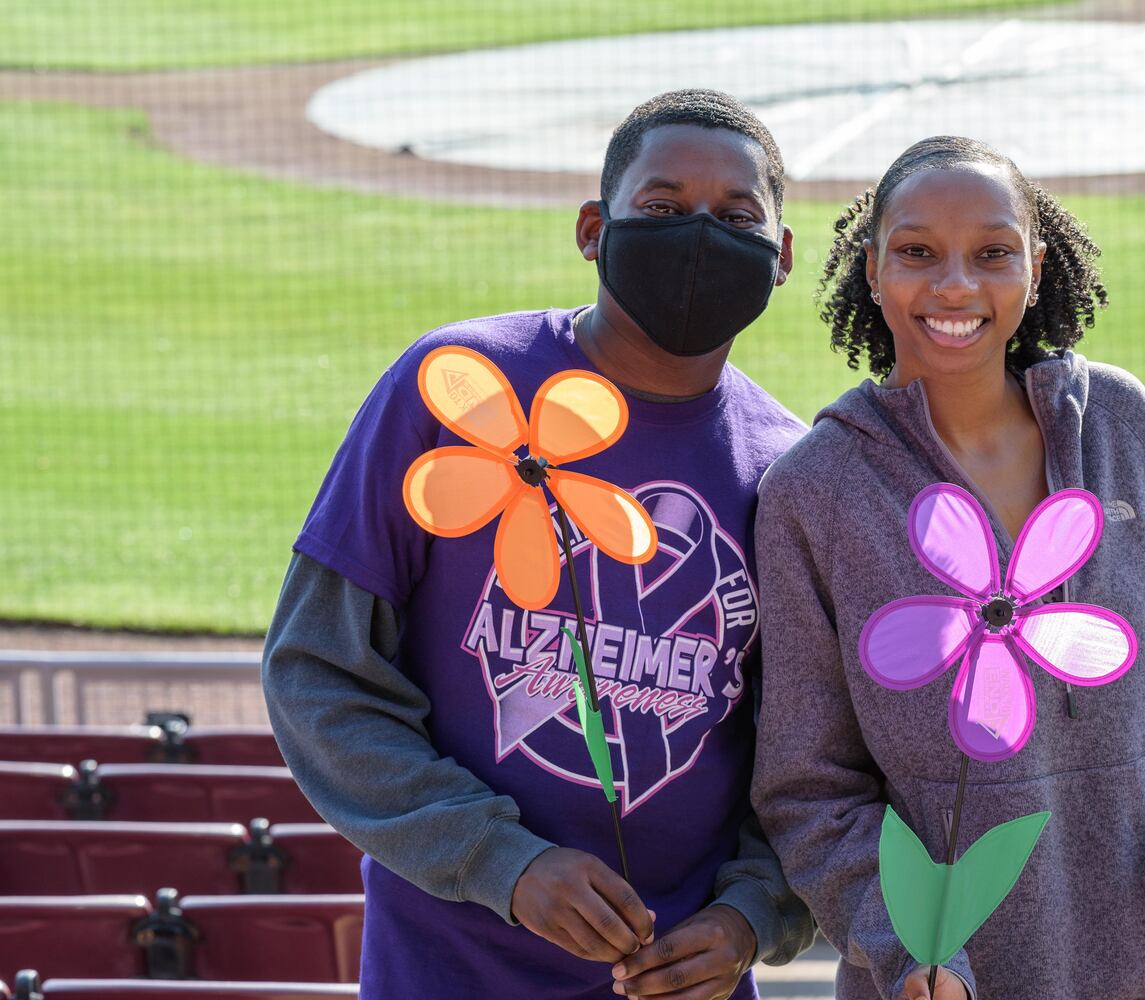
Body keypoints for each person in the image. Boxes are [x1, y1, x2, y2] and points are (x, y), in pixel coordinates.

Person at [262, 89, 815, 1000]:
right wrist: (501, 863)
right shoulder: (455, 391)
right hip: (444, 973)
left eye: (737, 216)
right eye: (663, 209)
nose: (699, 237)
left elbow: (812, 759)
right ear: (594, 228)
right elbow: (317, 673)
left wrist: (752, 915)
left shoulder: (790, 472)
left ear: (782, 255)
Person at [749, 136, 1145, 1000]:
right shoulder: (814, 490)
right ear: (872, 268)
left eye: (993, 253)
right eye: (918, 252)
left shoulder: (1119, 421)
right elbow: (808, 789)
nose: (957, 285)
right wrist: (907, 948)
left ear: (1035, 267)